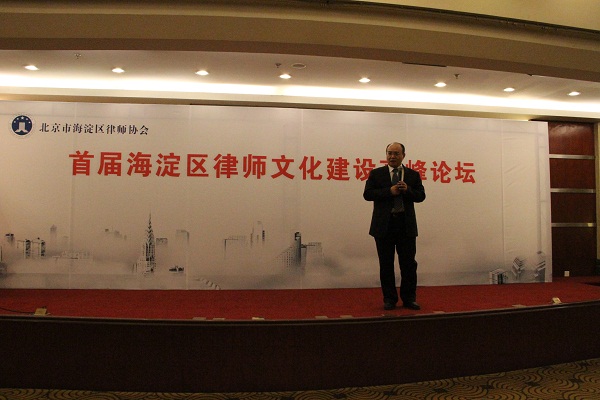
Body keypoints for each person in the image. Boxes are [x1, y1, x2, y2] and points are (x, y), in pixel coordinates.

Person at [363, 142, 426, 310]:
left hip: (406, 225)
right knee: (386, 264)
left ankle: (409, 298)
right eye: (389, 153)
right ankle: (389, 299)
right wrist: (389, 191)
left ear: (403, 156)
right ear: (386, 155)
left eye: (396, 153)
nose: (392, 156)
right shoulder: (376, 174)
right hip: (384, 226)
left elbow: (421, 196)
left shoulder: (412, 175)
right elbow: (367, 194)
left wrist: (408, 190)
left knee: (409, 265)